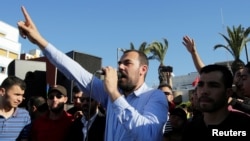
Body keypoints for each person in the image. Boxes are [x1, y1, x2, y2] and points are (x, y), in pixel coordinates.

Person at [18, 6, 168, 141]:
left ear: (143, 69)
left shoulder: (155, 96)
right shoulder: (109, 95)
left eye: (127, 63)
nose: (120, 67)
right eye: (119, 63)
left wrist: (114, 94)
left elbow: (149, 135)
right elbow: (73, 70)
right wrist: (39, 40)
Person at [182, 64, 250, 140]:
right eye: (200, 85)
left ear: (228, 92)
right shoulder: (190, 128)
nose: (204, 91)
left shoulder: (244, 126)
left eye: (213, 85)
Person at [0, 76, 31, 141]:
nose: (20, 99)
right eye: (17, 94)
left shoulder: (24, 115)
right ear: (2, 91)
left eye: (22, 95)